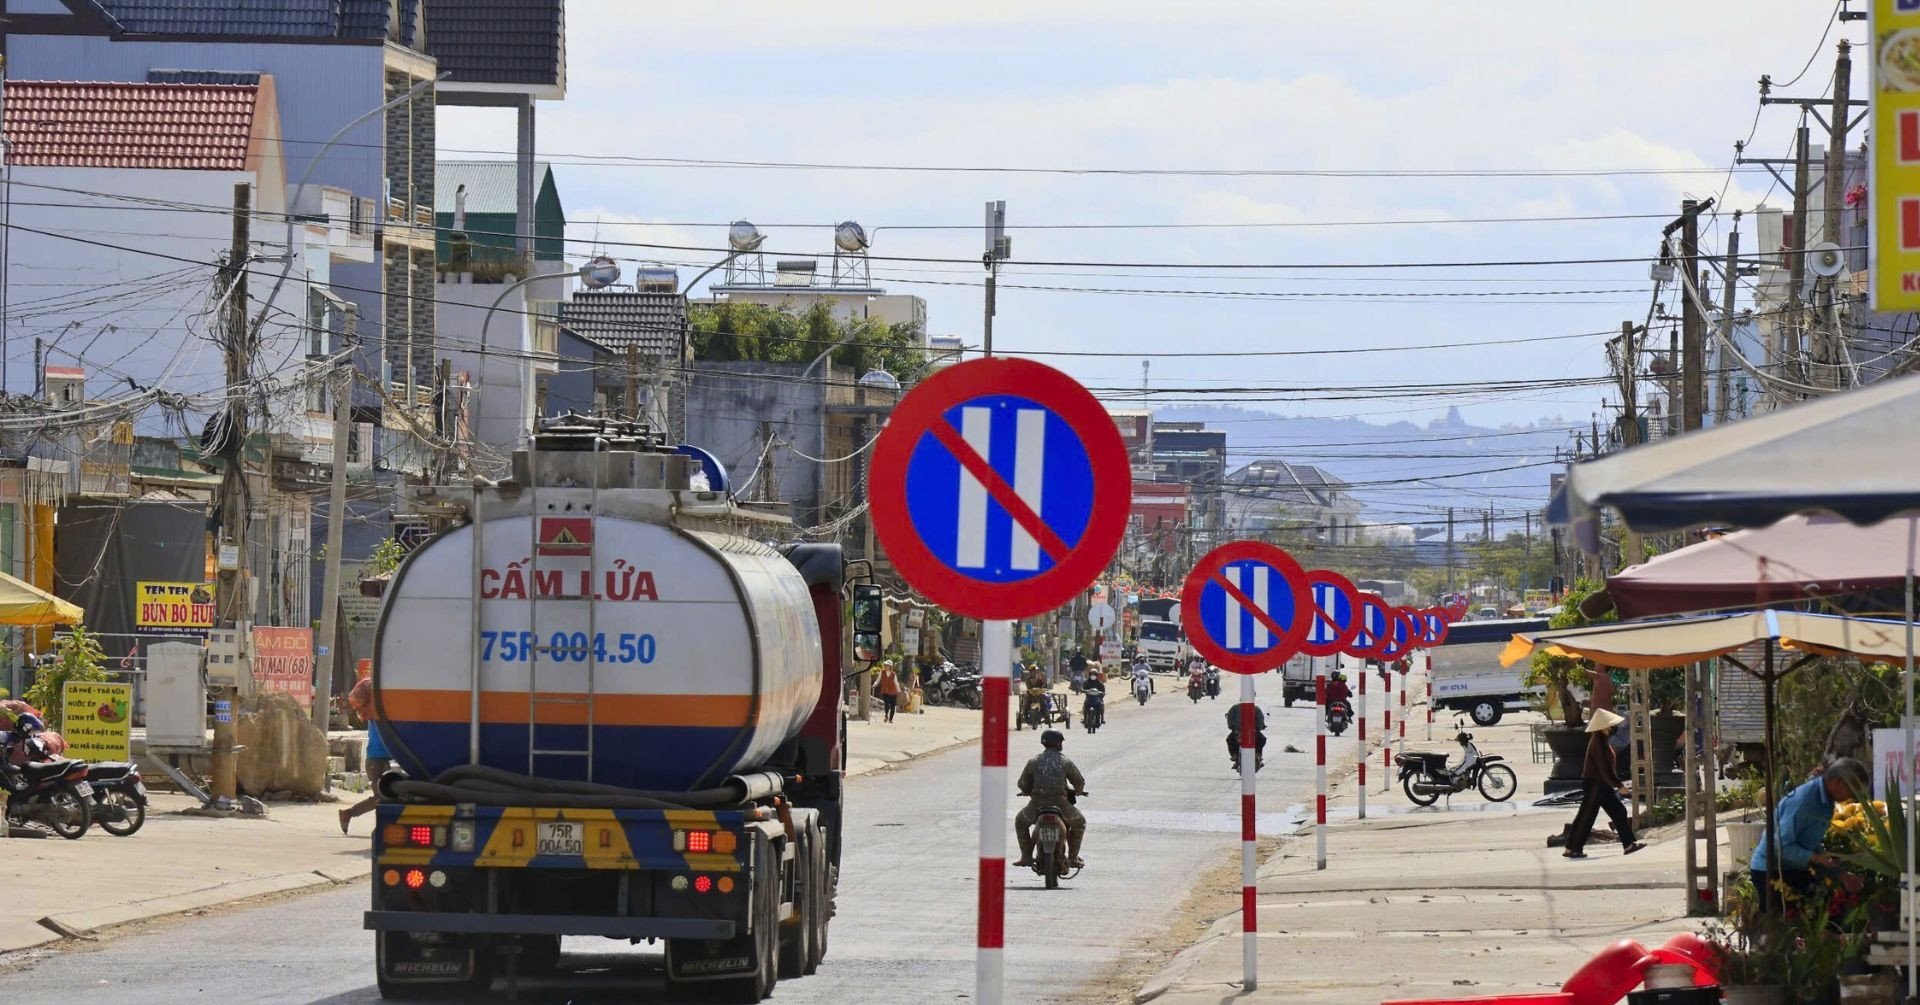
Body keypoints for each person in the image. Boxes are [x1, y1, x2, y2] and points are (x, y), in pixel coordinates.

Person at [1750, 756, 1870, 911]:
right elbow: (1779, 845)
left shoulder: (1826, 801)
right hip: (1771, 870)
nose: (1852, 797)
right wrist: (1816, 858)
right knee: (1790, 921)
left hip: (1793, 867)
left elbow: (1809, 843)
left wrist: (1840, 874)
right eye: (1853, 790)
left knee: (1823, 909)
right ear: (1839, 782)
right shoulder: (1805, 801)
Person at [1563, 708, 1645, 859]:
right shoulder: (1597, 742)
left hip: (1602, 784)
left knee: (1619, 812)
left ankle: (1629, 844)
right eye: (1610, 725)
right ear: (1603, 727)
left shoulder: (1602, 741)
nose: (1613, 728)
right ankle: (1572, 848)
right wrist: (1619, 785)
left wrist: (1614, 784)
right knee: (1586, 816)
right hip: (1595, 783)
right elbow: (1603, 769)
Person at [1013, 729, 1087, 869]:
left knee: (1020, 822)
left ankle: (1026, 856)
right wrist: (1078, 791)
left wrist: (1026, 791)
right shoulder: (1065, 761)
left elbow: (1023, 784)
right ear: (1059, 744)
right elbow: (1079, 781)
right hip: (1061, 805)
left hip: (1036, 805)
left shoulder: (1033, 761)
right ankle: (1073, 858)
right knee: (1080, 823)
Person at [339, 679, 392, 835]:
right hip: (376, 761)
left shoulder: (374, 714)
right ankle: (349, 814)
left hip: (379, 760)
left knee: (384, 797)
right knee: (382, 798)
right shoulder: (376, 715)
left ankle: (350, 814)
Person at [1225, 701, 1267, 768]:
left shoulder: (1234, 708)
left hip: (1237, 731)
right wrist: (1259, 728)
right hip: (1252, 732)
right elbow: (1260, 720)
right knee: (1262, 739)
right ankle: (1258, 754)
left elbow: (1230, 719)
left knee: (1230, 740)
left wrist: (1232, 727)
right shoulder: (1256, 708)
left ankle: (1234, 755)